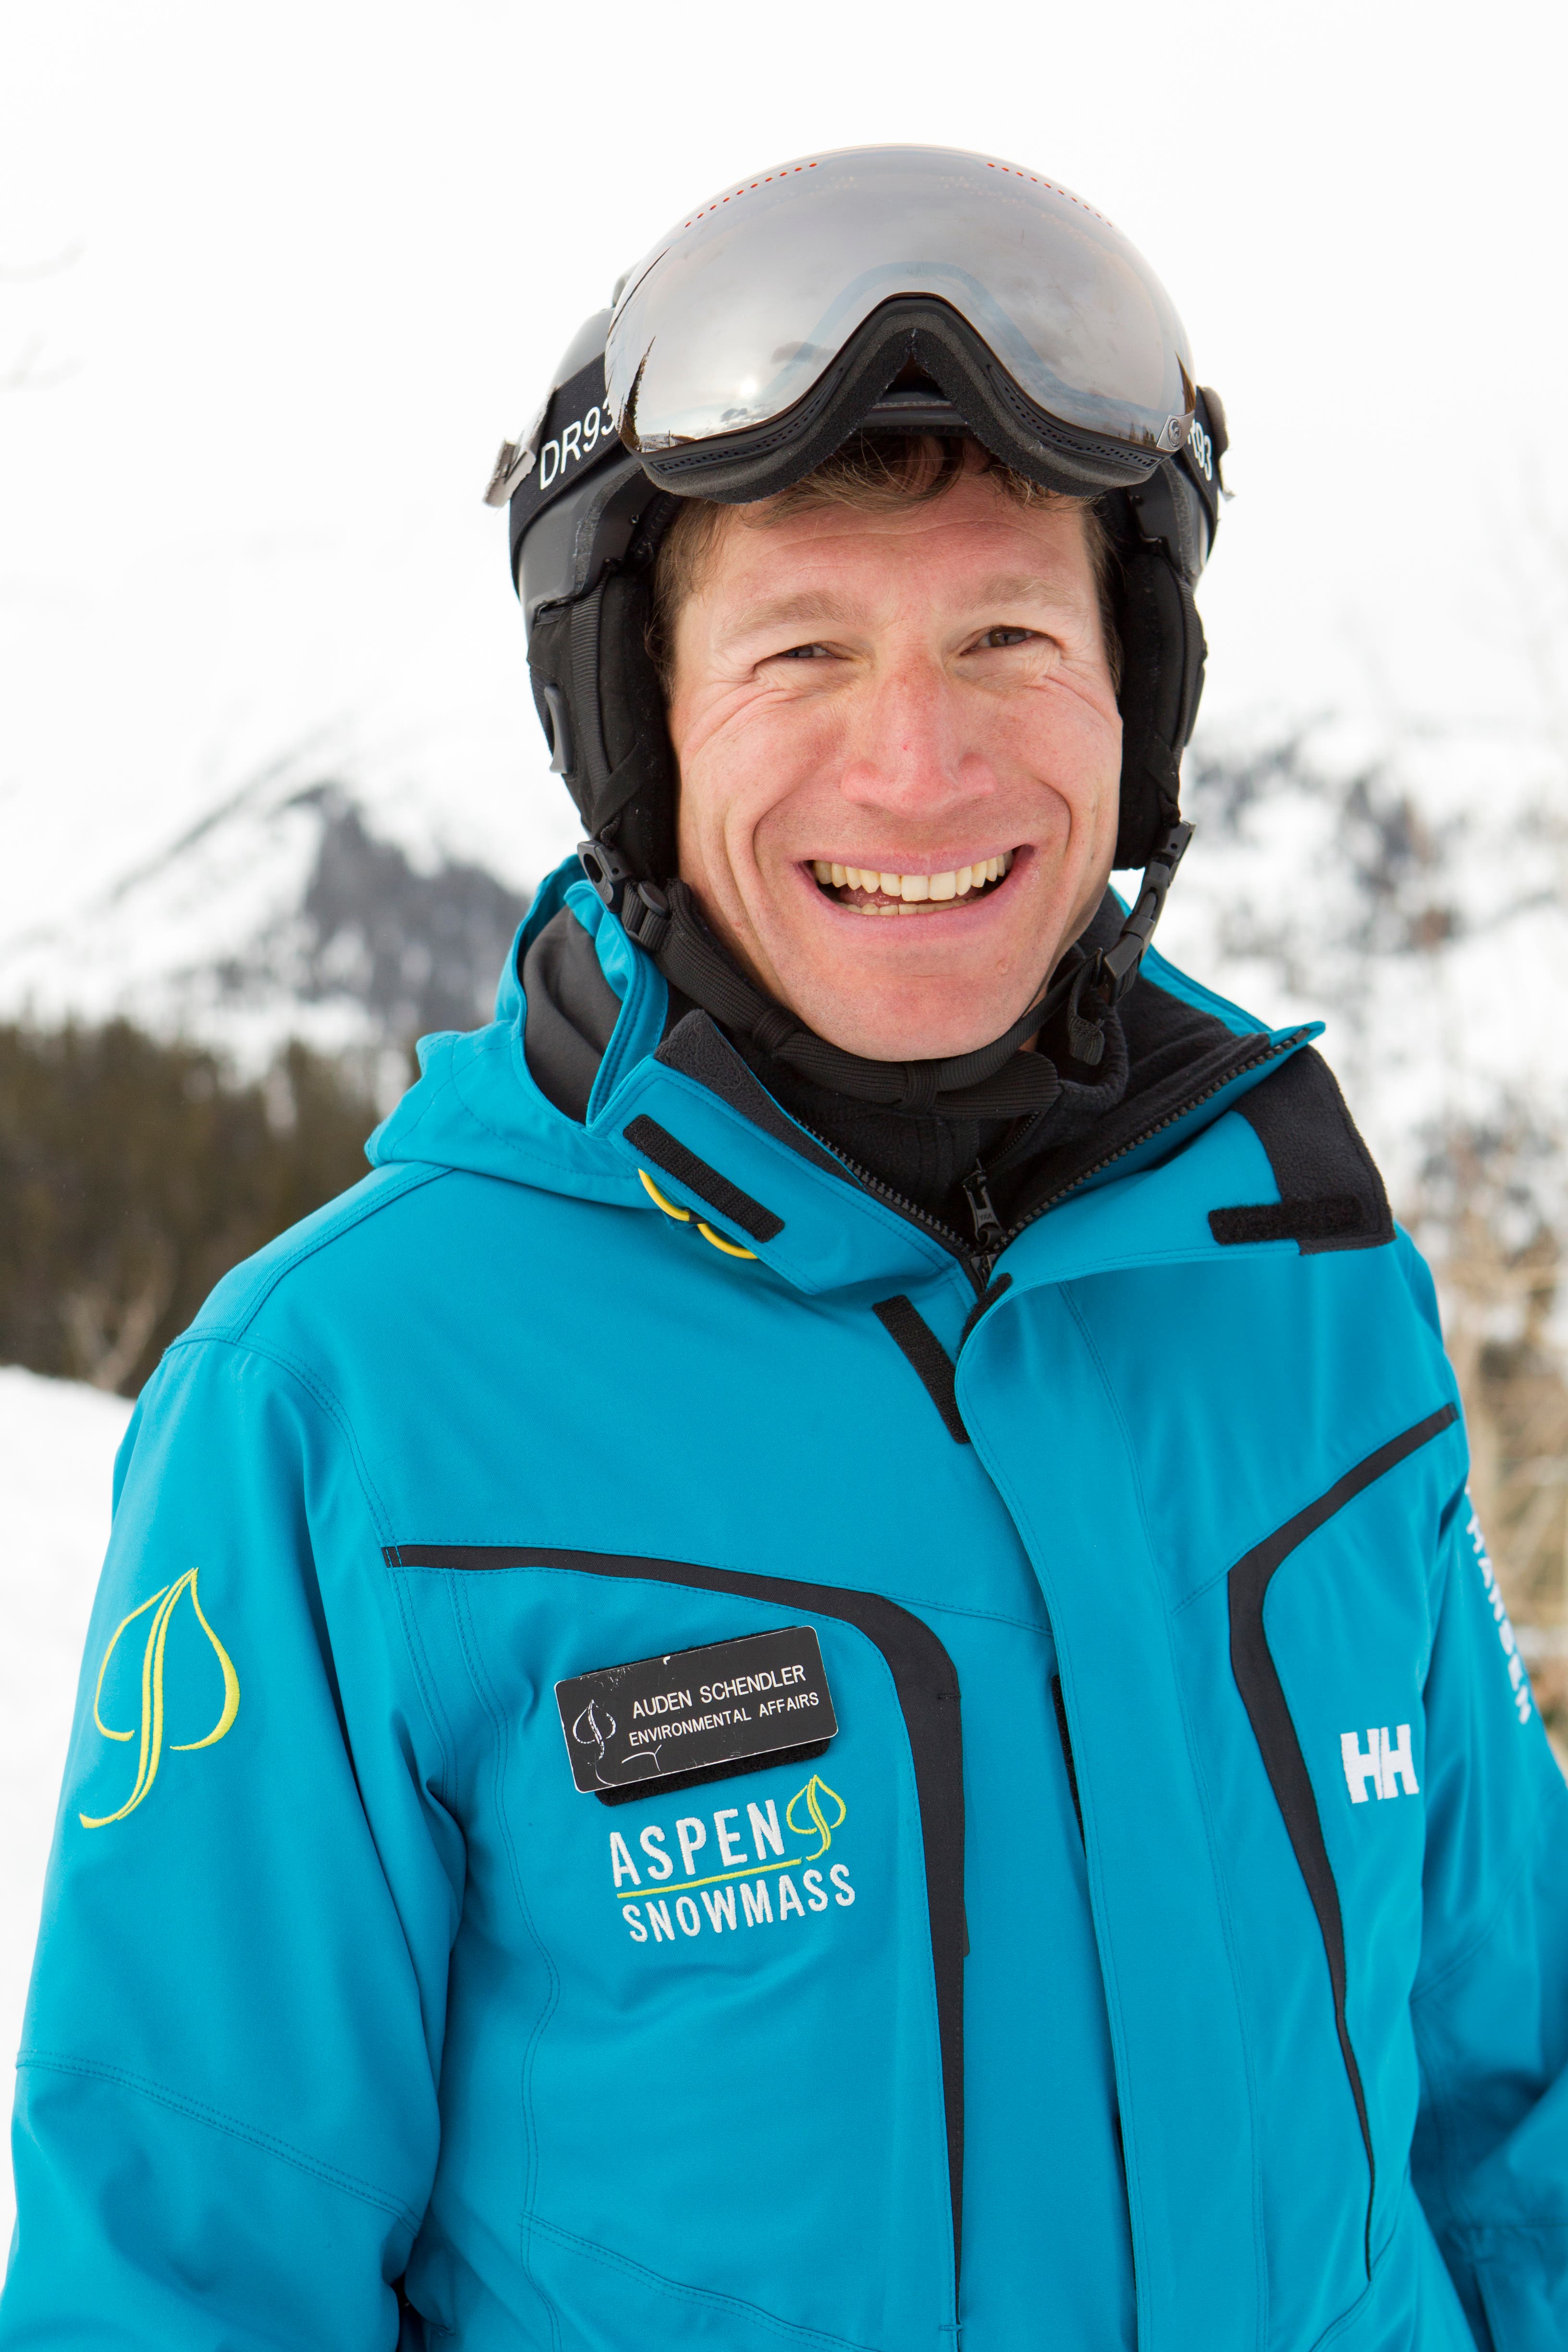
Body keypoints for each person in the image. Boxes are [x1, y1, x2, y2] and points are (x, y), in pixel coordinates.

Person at [2, 144, 1565, 2352]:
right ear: (638, 725)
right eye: (802, 648)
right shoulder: (342, 1414)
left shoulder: (1304, 1294)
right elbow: (178, 2278)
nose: (917, 768)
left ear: (1139, 699)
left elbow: (1518, 2105)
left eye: (1009, 635)